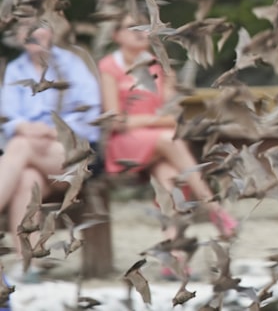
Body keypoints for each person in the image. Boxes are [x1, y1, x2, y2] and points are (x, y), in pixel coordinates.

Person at [98, 14, 237, 275]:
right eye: (130, 27)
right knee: (169, 139)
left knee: (172, 179)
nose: (139, 32)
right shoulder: (109, 66)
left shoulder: (158, 64)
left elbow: (172, 115)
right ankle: (214, 208)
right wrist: (154, 120)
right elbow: (115, 121)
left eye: (143, 27)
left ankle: (174, 257)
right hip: (124, 145)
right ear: (116, 35)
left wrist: (147, 119)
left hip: (160, 143)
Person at [0, 20, 101, 271]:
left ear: (51, 33)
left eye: (39, 28)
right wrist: (24, 127)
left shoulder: (71, 64)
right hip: (31, 152)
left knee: (21, 146)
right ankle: (30, 262)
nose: (34, 34)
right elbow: (7, 115)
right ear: (20, 36)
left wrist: (55, 129)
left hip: (71, 152)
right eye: (27, 29)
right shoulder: (16, 68)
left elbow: (90, 111)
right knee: (27, 179)